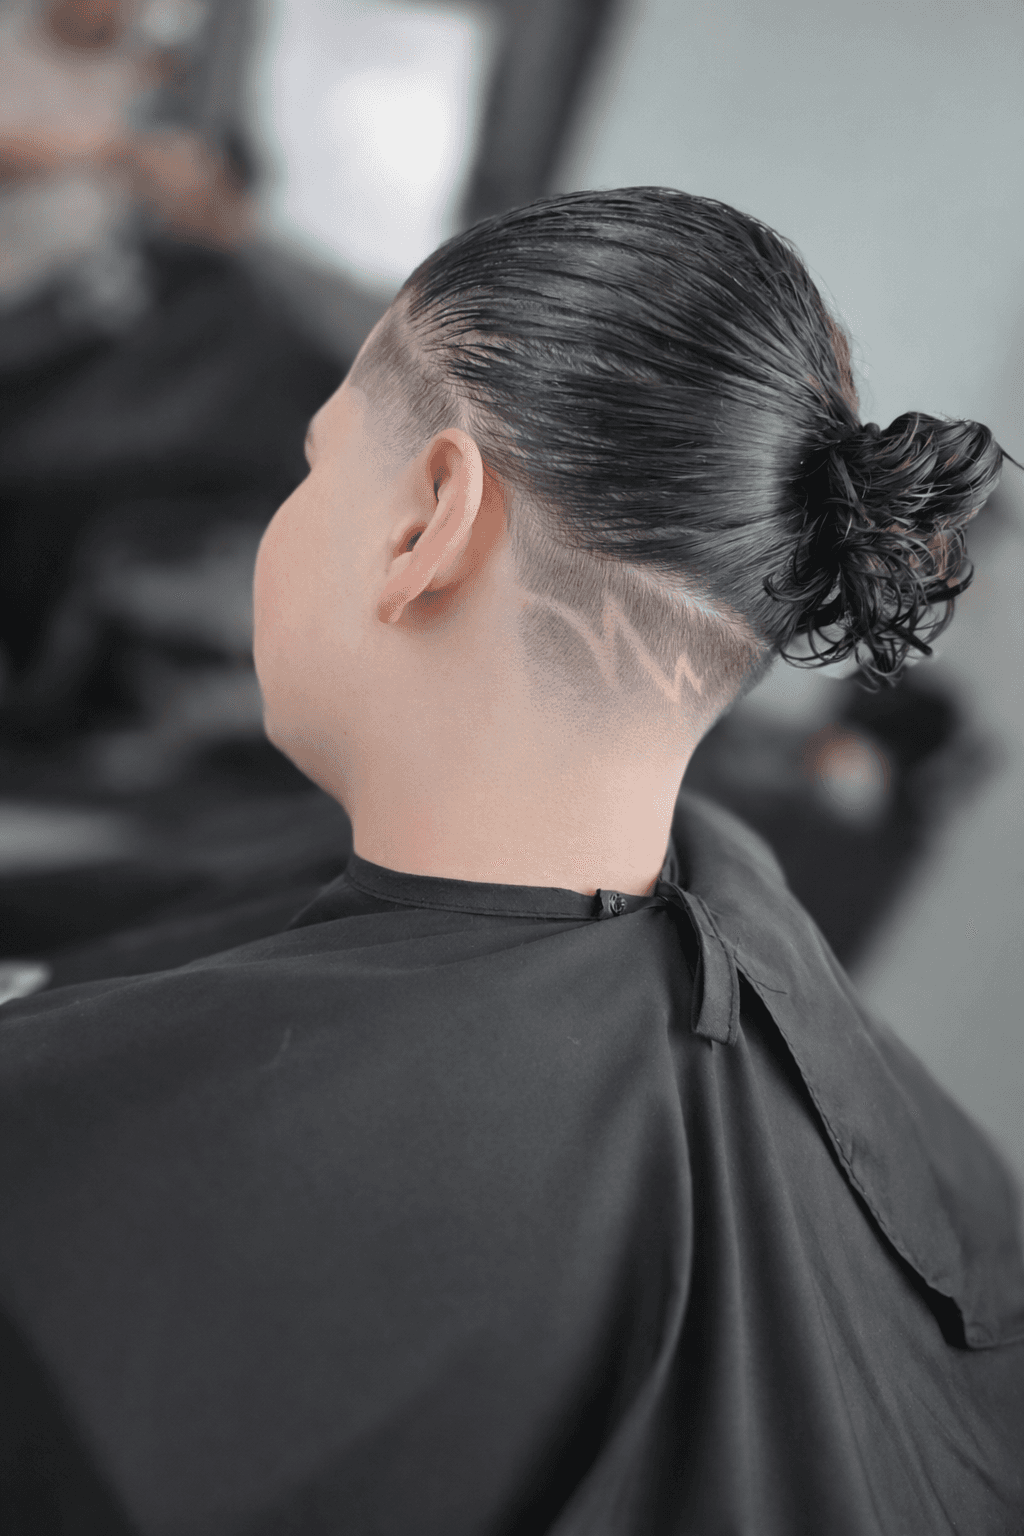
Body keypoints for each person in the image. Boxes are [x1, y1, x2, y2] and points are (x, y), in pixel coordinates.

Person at [1, 187, 1022, 1535]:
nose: (291, 506)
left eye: (318, 463)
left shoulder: (102, 1213)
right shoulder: (875, 1078)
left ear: (429, 517)